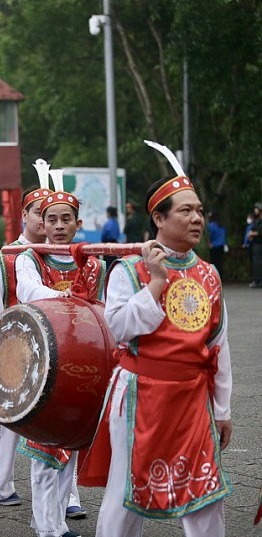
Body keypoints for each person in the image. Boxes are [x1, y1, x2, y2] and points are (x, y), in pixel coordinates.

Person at [80, 142, 233, 536]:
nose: (197, 218)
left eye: (199, 210)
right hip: (139, 395)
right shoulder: (129, 270)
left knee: (204, 492)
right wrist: (157, 284)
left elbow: (217, 345)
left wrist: (222, 408)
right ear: (159, 218)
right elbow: (119, 329)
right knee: (126, 494)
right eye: (186, 210)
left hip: (192, 399)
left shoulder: (209, 275)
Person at [15, 170, 105, 537]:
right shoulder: (30, 259)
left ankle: (56, 521)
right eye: (51, 218)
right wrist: (69, 299)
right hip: (41, 361)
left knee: (69, 439)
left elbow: (99, 308)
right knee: (43, 445)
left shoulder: (93, 262)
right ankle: (47, 526)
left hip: (80, 361)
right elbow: (28, 292)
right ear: (41, 222)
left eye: (66, 219)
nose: (58, 225)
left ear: (77, 223)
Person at [0, 161, 52, 508]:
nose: (46, 221)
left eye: (53, 214)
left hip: (53, 350)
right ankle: (2, 485)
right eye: (40, 213)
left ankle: (65, 496)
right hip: (12, 348)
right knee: (7, 422)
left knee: (56, 423)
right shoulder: (6, 257)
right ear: (25, 214)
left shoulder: (62, 256)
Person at [207, 212, 227, 277]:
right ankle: (221, 276)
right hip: (221, 245)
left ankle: (215, 276)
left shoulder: (211, 225)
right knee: (220, 262)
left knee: (214, 263)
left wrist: (209, 243)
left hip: (214, 246)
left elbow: (210, 235)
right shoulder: (221, 225)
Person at [247, 203, 262, 288]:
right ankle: (257, 279)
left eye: (256, 209)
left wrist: (252, 234)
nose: (255, 210)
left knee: (258, 263)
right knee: (256, 262)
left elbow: (260, 232)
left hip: (259, 244)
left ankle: (259, 280)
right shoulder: (257, 220)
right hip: (255, 244)